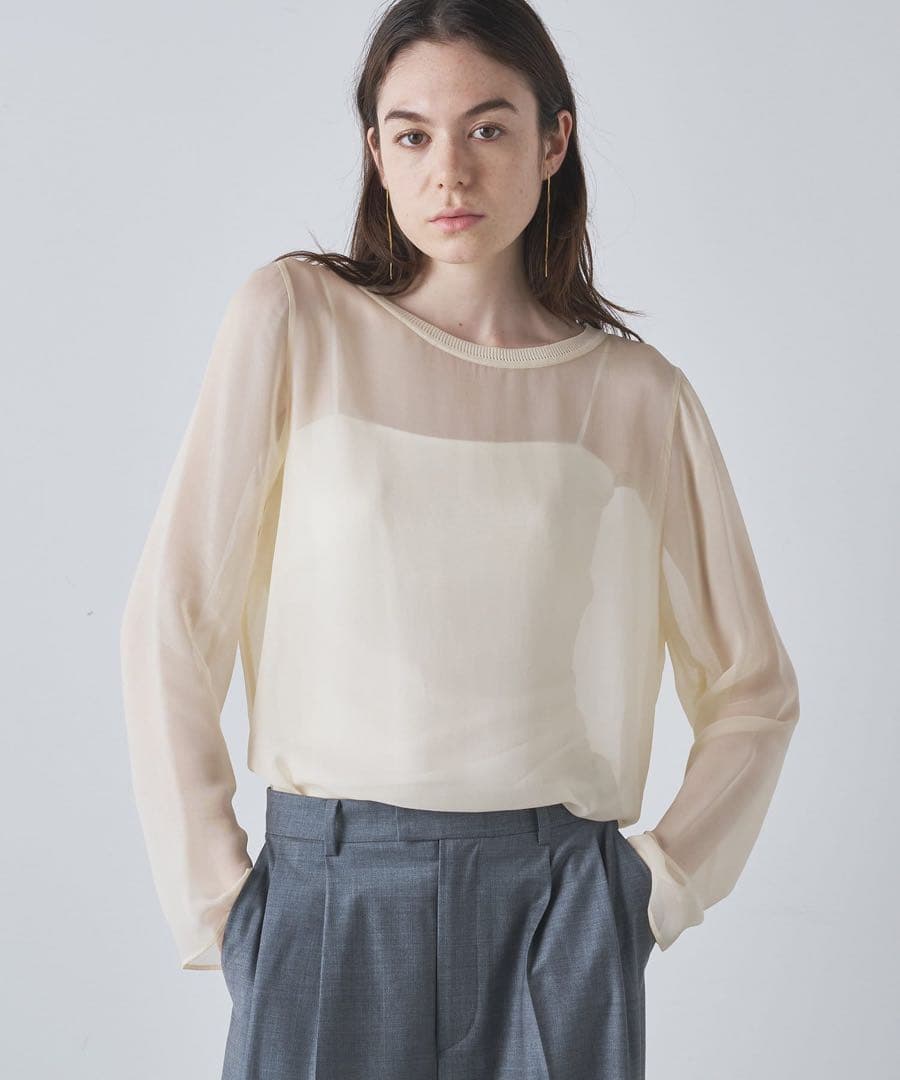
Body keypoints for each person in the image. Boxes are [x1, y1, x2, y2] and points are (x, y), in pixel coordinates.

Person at [119, 1, 800, 1077]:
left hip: (557, 908)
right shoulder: (295, 321)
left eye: (488, 128)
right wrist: (222, 903)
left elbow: (753, 688)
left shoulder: (635, 396)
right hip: (326, 900)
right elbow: (175, 612)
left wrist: (651, 891)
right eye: (412, 134)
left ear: (553, 140)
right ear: (375, 152)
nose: (450, 172)